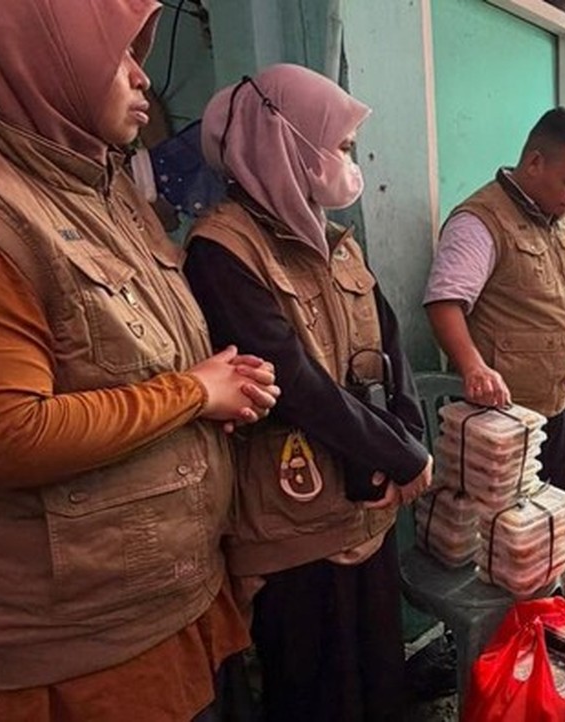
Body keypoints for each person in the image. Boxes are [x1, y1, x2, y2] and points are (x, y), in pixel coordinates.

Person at [0, 2, 280, 720]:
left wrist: (223, 390)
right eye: (119, 57)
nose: (144, 79)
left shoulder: (102, 190)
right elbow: (1, 434)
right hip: (83, 654)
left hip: (175, 607)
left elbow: (130, 356)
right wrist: (194, 396)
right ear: (48, 61)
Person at [185, 64, 434, 721]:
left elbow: (389, 345)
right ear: (284, 140)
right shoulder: (222, 252)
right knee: (316, 691)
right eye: (339, 145)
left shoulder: (335, 240)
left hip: (364, 503)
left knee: (379, 681)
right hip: (291, 522)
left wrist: (403, 438)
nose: (350, 162)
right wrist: (397, 454)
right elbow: (292, 381)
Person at [424, 108, 565, 490]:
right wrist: (473, 367)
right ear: (535, 162)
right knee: (503, 530)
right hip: (502, 418)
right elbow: (445, 302)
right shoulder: (480, 221)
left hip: (555, 406)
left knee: (549, 515)